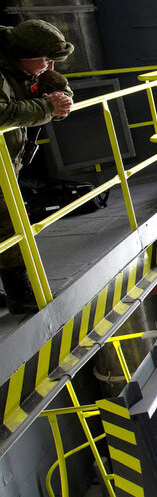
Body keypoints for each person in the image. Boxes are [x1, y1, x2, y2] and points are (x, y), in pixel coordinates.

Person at [0, 20, 74, 314]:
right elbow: (3, 113)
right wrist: (47, 108)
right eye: (45, 59)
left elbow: (57, 86)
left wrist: (61, 99)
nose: (50, 65)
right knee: (8, 225)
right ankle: (21, 294)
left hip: (6, 164)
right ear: (24, 55)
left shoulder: (25, 68)